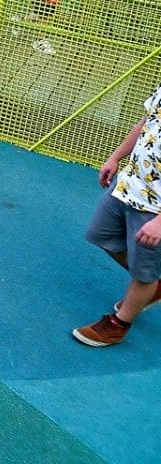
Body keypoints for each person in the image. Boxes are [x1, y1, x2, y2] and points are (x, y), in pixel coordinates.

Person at [72, 79, 161, 347]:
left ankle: (118, 324)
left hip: (155, 207)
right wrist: (115, 156)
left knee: (144, 272)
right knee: (100, 235)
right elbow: (145, 124)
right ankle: (154, 286)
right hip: (128, 186)